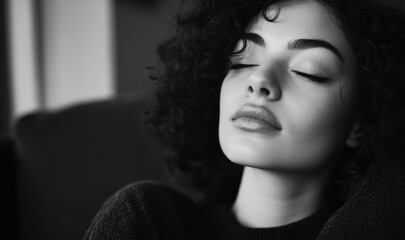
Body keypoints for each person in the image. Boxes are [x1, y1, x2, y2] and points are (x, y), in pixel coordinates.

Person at [84, 0, 405, 239]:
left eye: (309, 70)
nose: (259, 79)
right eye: (242, 60)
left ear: (359, 123)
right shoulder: (149, 219)